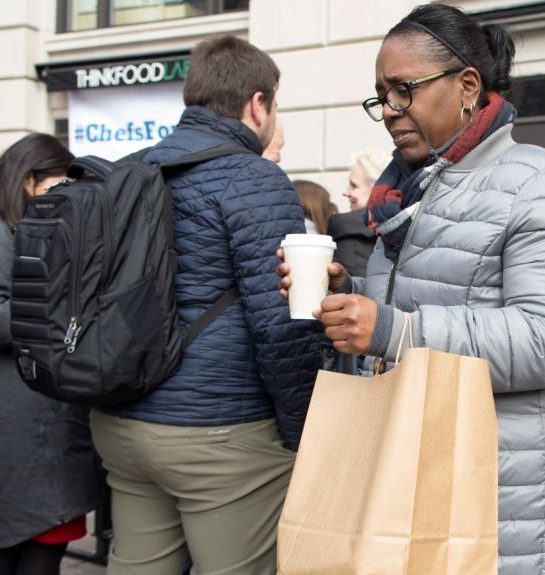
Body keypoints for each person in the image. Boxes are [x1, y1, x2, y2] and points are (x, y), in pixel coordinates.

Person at [277, 5, 545, 573]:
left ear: (467, 87)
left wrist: (392, 331)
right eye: (381, 95)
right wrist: (347, 293)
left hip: (504, 495)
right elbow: (424, 301)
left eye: (403, 90)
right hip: (408, 468)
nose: (388, 112)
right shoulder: (408, 191)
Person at [89, 36, 324, 574]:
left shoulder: (128, 170)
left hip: (121, 422)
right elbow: (282, 322)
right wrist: (303, 433)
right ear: (258, 104)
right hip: (219, 434)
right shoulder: (254, 178)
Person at [0, 136, 107, 575]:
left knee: (35, 539)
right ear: (28, 181)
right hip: (19, 416)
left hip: (33, 409)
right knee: (29, 541)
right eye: (56, 185)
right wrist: (66, 314)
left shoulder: (15, 226)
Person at [326, 147, 392, 277]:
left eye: (354, 185)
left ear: (377, 190)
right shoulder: (406, 229)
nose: (345, 192)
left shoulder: (348, 233)